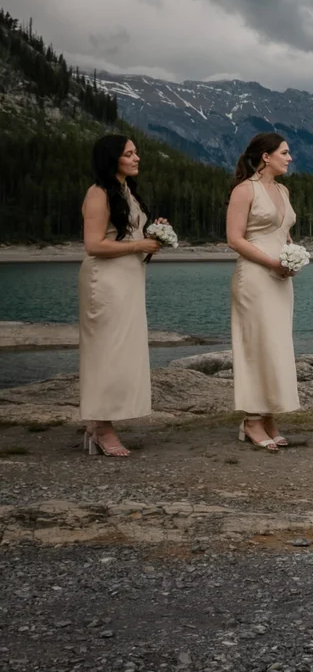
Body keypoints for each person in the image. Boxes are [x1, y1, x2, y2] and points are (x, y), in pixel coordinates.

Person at [77, 134, 168, 456]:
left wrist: (153, 236)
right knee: (106, 352)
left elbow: (127, 235)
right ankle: (102, 427)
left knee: (123, 351)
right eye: (129, 154)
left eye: (136, 152)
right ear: (112, 158)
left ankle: (97, 424)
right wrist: (138, 244)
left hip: (128, 280)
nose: (136, 158)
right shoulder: (98, 192)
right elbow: (93, 244)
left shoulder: (126, 191)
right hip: (105, 282)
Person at [226, 132, 301, 450]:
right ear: (266, 157)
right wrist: (272, 262)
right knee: (256, 345)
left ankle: (269, 416)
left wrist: (292, 255)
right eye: (284, 152)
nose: (290, 158)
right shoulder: (245, 190)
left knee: (276, 345)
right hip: (255, 277)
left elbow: (283, 232)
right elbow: (234, 239)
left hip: (280, 279)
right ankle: (252, 420)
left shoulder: (283, 190)